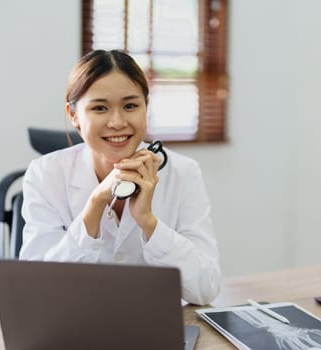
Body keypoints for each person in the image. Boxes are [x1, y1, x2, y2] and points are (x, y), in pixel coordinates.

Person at [19, 49, 221, 305]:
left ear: (146, 107)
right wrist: (93, 208)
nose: (117, 122)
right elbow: (37, 292)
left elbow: (207, 288)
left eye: (130, 106)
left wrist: (148, 222)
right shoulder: (44, 175)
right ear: (74, 116)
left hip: (155, 327)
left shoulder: (183, 173)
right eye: (100, 108)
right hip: (76, 327)